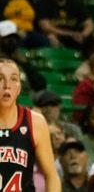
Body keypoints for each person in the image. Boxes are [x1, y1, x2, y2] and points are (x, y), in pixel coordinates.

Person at [0, 58, 60, 191]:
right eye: (0, 78)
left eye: (14, 79)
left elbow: (51, 176)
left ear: (19, 88)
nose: (7, 85)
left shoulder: (35, 122)